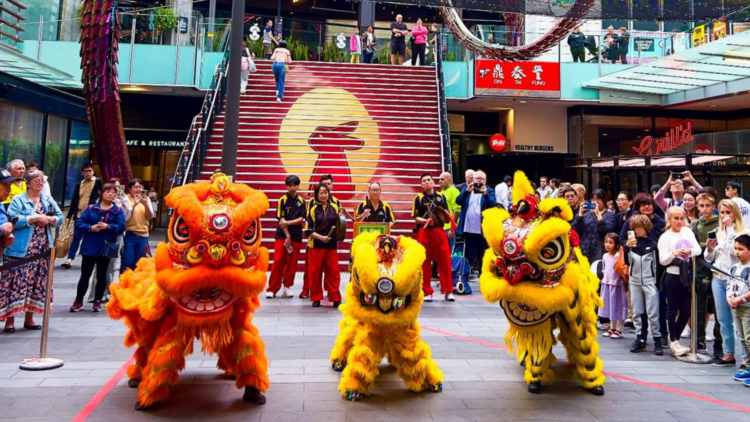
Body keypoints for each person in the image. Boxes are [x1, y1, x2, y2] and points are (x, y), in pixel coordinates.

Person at [1, 170, 63, 333]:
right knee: (15, 283)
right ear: (28, 183)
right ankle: (10, 321)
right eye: (36, 180)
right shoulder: (18, 199)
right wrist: (33, 218)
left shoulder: (47, 199)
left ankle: (30, 319)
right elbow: (13, 219)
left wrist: (50, 220)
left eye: (42, 180)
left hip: (42, 249)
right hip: (20, 250)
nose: (40, 183)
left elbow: (60, 217)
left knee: (37, 282)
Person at [706, 199, 749, 368]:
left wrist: (730, 228)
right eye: (722, 212)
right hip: (718, 276)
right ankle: (728, 353)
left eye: (728, 212)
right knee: (723, 319)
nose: (725, 216)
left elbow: (735, 251)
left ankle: (746, 358)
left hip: (737, 279)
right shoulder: (717, 231)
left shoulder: (743, 232)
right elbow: (710, 257)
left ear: (735, 213)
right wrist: (709, 248)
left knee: (738, 319)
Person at [70, 183, 125, 313]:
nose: (111, 194)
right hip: (90, 245)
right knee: (85, 275)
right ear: (102, 193)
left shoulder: (117, 210)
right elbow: (79, 223)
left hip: (106, 246)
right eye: (108, 191)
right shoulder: (91, 208)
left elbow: (121, 226)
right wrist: (90, 228)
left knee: (102, 275)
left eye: (113, 192)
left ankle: (97, 301)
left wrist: (108, 227)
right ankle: (78, 301)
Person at [658, 206, 702, 357]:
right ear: (669, 219)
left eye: (681, 218)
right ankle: (673, 340)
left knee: (686, 310)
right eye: (675, 218)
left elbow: (698, 249)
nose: (679, 221)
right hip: (673, 275)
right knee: (672, 308)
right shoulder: (665, 237)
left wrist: (689, 252)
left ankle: (675, 338)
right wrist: (674, 253)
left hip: (687, 275)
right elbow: (662, 260)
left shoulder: (688, 232)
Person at [625, 215, 664, 355]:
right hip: (634, 281)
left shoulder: (654, 244)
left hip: (650, 281)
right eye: (635, 228)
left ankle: (657, 339)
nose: (638, 230)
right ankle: (640, 338)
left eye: (640, 227)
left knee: (653, 313)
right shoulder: (631, 244)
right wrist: (626, 247)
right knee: (637, 311)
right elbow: (627, 262)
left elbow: (659, 266)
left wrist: (658, 282)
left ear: (646, 227)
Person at [412, 173, 455, 302]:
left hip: (439, 231)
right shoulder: (418, 198)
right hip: (424, 231)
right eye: (424, 181)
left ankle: (448, 291)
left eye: (429, 180)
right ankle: (427, 291)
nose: (427, 182)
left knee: (445, 260)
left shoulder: (441, 196)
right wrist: (426, 220)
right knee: (425, 262)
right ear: (421, 184)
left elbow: (446, 214)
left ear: (433, 182)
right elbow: (416, 218)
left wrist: (446, 217)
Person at [690, 193, 720, 355]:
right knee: (699, 307)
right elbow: (691, 244)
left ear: (713, 207)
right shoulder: (694, 224)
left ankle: (719, 342)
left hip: (717, 270)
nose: (704, 209)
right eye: (701, 206)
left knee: (718, 309)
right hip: (699, 271)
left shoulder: (720, 224)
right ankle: (699, 339)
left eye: (707, 206)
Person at [266, 175, 306, 299]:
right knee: (278, 261)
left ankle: (287, 287)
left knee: (292, 263)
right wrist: (287, 235)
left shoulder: (302, 201)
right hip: (282, 235)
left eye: (295, 185)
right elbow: (281, 220)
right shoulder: (282, 200)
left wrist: (288, 223)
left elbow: (301, 219)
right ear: (287, 186)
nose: (292, 188)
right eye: (290, 185)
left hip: (296, 236)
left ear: (298, 186)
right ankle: (272, 289)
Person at [305, 184, 341, 308]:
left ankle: (335, 298)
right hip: (316, 245)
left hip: (331, 245)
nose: (324, 195)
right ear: (317, 195)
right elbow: (308, 230)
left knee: (334, 272)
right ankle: (316, 298)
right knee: (315, 273)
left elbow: (340, 224)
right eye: (321, 193)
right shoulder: (313, 209)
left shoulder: (335, 207)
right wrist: (321, 237)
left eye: (326, 192)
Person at [61, 163, 102, 269]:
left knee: (92, 238)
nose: (88, 173)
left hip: (93, 215)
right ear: (82, 173)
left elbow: (103, 196)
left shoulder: (98, 182)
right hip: (80, 215)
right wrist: (69, 216)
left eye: (90, 171)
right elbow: (74, 200)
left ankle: (93, 258)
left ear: (93, 171)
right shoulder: (79, 184)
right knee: (76, 238)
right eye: (86, 171)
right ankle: (69, 259)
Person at [456, 170, 495, 270]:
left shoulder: (489, 190)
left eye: (481, 179)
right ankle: (465, 275)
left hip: (481, 230)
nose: (478, 181)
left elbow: (493, 206)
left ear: (485, 181)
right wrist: (466, 192)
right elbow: (458, 201)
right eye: (477, 178)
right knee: (468, 254)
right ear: (472, 179)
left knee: (482, 255)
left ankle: (482, 276)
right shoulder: (467, 189)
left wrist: (485, 195)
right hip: (467, 229)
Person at [727, 234, 750, 385]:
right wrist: (728, 298)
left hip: (747, 308)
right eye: (735, 248)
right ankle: (748, 366)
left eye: (741, 249)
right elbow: (729, 285)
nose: (737, 252)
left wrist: (741, 299)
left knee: (749, 338)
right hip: (736, 308)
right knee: (742, 338)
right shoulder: (734, 267)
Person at [120, 178, 154, 273]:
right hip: (129, 234)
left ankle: (133, 286)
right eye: (135, 187)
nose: (138, 189)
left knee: (137, 263)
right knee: (127, 262)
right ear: (130, 189)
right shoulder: (125, 199)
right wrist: (135, 204)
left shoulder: (146, 199)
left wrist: (146, 204)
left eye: (140, 187)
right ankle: (124, 284)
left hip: (143, 235)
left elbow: (150, 216)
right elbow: (125, 217)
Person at [599, 233, 627, 339]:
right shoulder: (605, 256)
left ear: (616, 244)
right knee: (611, 305)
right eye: (606, 242)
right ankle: (612, 327)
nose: (607, 245)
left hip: (617, 284)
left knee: (619, 305)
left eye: (610, 243)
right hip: (607, 283)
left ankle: (619, 329)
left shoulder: (619, 255)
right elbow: (604, 268)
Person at [575, 189, 616, 264]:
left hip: (600, 252)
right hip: (584, 251)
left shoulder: (610, 215)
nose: (595, 202)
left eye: (598, 199)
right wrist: (580, 214)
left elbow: (607, 232)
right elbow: (577, 231)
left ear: (604, 200)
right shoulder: (587, 215)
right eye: (593, 199)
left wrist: (598, 215)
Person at [0, 169, 19, 265]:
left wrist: (4, 239)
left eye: (10, 185)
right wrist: (2, 229)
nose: (9, 189)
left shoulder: (1, 204)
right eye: (4, 184)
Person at [438, 172, 461, 250]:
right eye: (439, 179)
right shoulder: (441, 192)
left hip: (450, 229)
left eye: (442, 179)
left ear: (449, 180)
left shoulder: (454, 191)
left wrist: (452, 229)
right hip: (442, 227)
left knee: (451, 252)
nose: (440, 181)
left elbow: (457, 210)